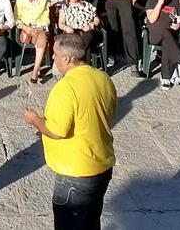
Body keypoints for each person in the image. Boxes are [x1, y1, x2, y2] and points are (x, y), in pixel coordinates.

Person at [21, 33, 117, 230]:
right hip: (102, 164)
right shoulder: (102, 78)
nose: (53, 58)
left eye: (55, 54)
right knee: (91, 222)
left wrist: (35, 121)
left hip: (76, 173)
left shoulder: (65, 88)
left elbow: (57, 131)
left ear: (67, 58)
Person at [143, 0, 180, 88]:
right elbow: (151, 19)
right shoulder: (151, 1)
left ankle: (166, 78)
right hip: (154, 34)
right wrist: (160, 3)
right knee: (165, 32)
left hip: (170, 35)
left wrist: (179, 25)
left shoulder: (175, 2)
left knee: (167, 42)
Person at [15, 0, 52, 83]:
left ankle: (35, 69)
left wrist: (40, 28)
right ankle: (38, 66)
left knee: (43, 38)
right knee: (44, 42)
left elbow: (46, 18)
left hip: (39, 27)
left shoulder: (43, 0)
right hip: (26, 28)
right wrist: (26, 28)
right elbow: (16, 18)